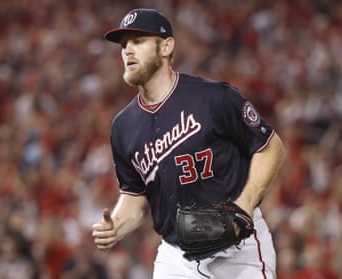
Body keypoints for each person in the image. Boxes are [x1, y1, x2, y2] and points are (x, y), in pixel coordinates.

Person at [91, 8, 285, 279]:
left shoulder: (214, 97)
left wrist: (245, 203)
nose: (127, 51)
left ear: (166, 46)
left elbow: (271, 147)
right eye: (124, 45)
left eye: (138, 41)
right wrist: (116, 225)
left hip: (240, 250)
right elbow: (135, 195)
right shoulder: (123, 126)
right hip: (177, 256)